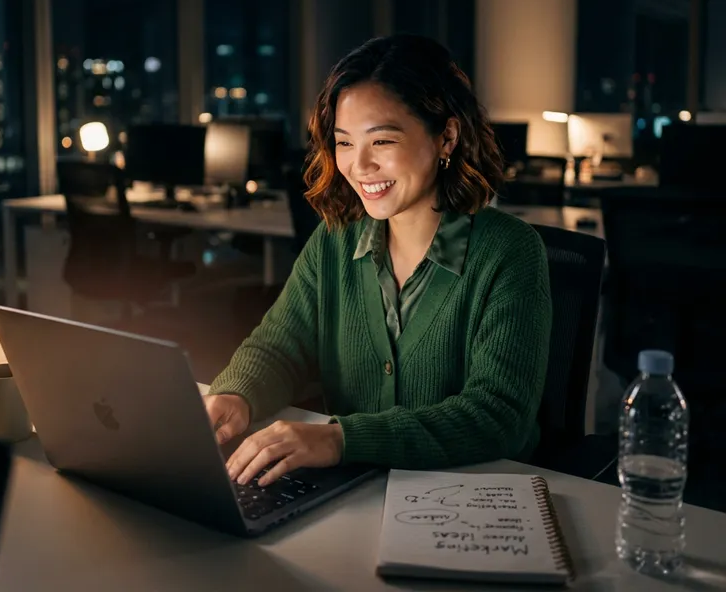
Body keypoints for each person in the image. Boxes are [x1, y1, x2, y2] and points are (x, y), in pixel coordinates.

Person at [205, 34, 552, 487]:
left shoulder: (509, 252)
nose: (358, 166)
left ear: (446, 137)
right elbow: (278, 348)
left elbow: (497, 416)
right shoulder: (333, 242)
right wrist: (236, 394)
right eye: (344, 143)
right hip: (354, 492)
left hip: (470, 499)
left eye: (382, 141)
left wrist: (341, 438)